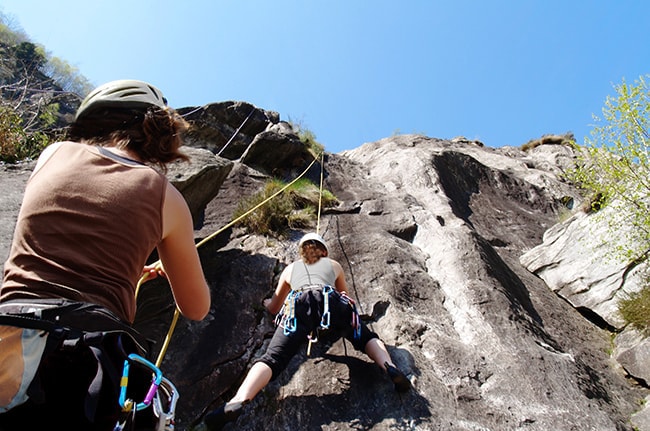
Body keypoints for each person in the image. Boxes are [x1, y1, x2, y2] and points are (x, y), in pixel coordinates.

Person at [0, 79, 211, 430]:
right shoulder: (166, 196)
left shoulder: (53, 155)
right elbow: (196, 307)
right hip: (89, 365)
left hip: (11, 335)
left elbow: (76, 226)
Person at [202, 232, 410, 430]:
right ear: (324, 252)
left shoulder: (290, 269)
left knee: (272, 358)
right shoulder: (334, 265)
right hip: (332, 301)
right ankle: (389, 366)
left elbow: (275, 307)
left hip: (299, 304)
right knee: (366, 337)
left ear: (302, 252)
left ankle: (238, 400)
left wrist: (267, 303)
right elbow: (345, 295)